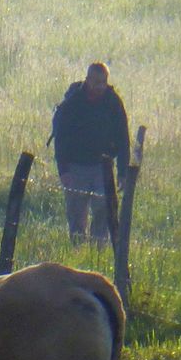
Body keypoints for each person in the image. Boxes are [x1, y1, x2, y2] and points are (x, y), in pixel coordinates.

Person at [50, 62, 130, 246]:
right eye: (96, 82)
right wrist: (64, 171)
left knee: (103, 210)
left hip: (103, 168)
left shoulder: (113, 102)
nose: (99, 86)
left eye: (103, 82)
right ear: (87, 80)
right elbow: (61, 139)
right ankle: (77, 252)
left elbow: (123, 139)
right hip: (75, 168)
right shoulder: (73, 102)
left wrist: (123, 172)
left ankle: (98, 253)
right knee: (76, 216)